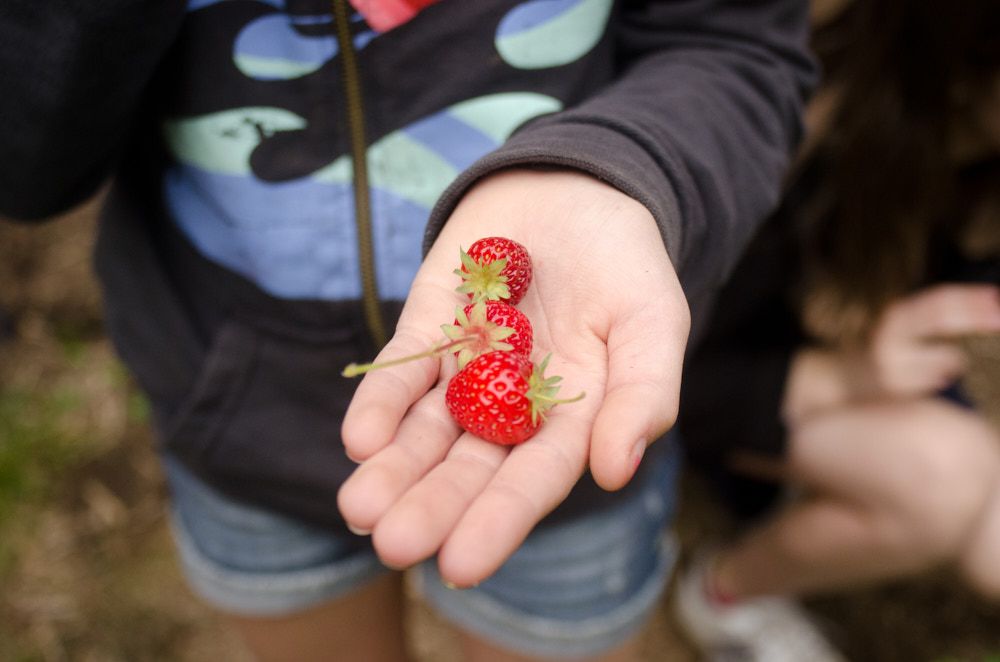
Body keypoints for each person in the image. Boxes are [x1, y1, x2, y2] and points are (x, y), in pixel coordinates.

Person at [0, 1, 816, 660]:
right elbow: (27, 165)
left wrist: (618, 167)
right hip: (235, 419)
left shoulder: (508, 339)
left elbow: (734, 47)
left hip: (574, 473)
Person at [672, 0, 1000, 660]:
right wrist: (844, 376)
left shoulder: (977, 157)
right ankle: (725, 595)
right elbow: (668, 372)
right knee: (947, 480)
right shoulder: (797, 104)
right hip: (724, 377)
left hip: (868, 379)